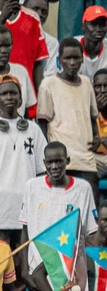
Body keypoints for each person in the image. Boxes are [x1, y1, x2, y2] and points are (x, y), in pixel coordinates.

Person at [19, 141, 97, 291]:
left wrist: (83, 282)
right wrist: (25, 271)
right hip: (38, 281)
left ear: (67, 162)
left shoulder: (83, 188)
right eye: (50, 162)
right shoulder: (32, 187)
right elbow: (25, 230)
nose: (54, 166)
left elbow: (86, 237)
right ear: (43, 163)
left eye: (59, 161)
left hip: (69, 283)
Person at [36, 37, 98, 200]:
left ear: (82, 59)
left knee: (90, 208)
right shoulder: (48, 84)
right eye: (67, 58)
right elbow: (43, 123)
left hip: (86, 159)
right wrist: (49, 152)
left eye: (76, 58)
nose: (72, 62)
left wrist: (97, 137)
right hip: (62, 159)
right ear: (59, 60)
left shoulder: (86, 83)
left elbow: (92, 116)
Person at [0, 73, 44, 250]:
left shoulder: (33, 129)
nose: (9, 97)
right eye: (4, 94)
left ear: (20, 99)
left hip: (27, 205)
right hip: (2, 205)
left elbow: (42, 170)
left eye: (13, 93)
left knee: (23, 261)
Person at [46, 5, 107, 85]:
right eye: (93, 24)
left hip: (104, 96)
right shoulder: (69, 47)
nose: (98, 29)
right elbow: (55, 82)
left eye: (102, 24)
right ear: (83, 26)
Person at [0, 0, 47, 85]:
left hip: (26, 91)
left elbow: (38, 64)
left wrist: (40, 96)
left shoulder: (32, 18)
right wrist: (2, 18)